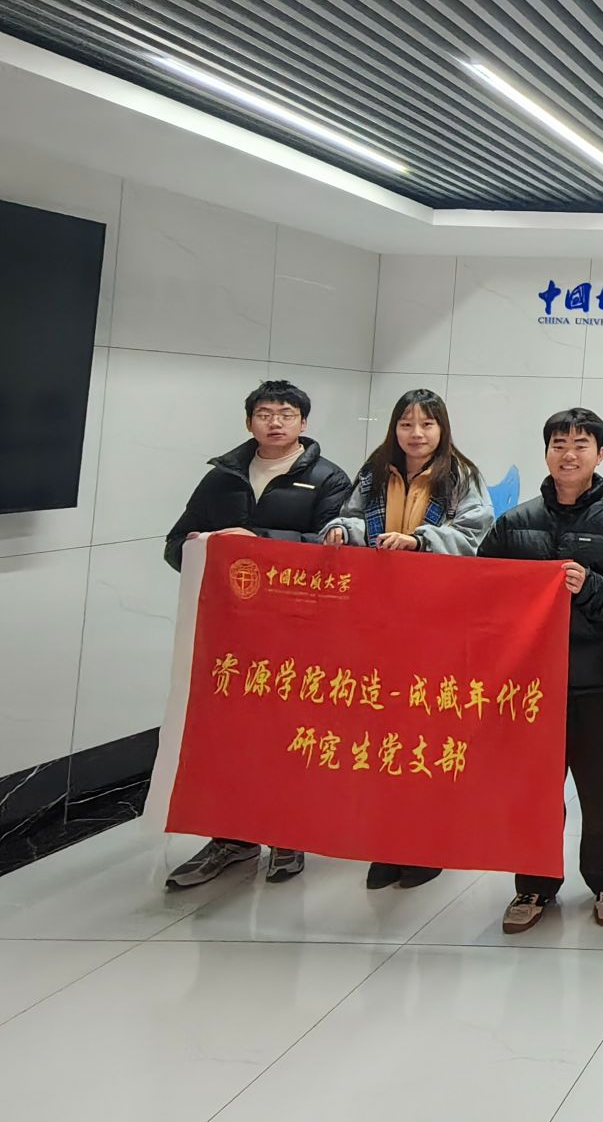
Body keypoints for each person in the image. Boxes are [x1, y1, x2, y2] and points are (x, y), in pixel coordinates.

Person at [161, 378, 353, 890]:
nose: (275, 422)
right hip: (230, 631)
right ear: (249, 422)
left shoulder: (329, 479)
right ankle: (232, 837)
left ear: (303, 423)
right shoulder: (221, 478)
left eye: (286, 414)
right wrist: (200, 549)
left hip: (295, 629)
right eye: (265, 413)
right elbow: (175, 544)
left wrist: (255, 540)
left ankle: (288, 833)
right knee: (229, 736)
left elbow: (332, 551)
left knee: (289, 731)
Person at [485, 409, 603, 932]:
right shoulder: (515, 523)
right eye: (559, 443)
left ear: (600, 455)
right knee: (532, 792)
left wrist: (592, 586)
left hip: (599, 680)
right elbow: (484, 589)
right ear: (546, 453)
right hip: (530, 684)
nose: (569, 453)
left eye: (581, 444)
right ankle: (533, 885)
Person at [323, 388, 492, 889]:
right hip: (378, 621)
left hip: (437, 622)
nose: (416, 434)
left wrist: (420, 541)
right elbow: (352, 516)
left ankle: (428, 843)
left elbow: (476, 535)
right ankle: (387, 842)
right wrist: (342, 529)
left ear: (442, 429)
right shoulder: (374, 471)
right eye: (406, 424)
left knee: (429, 735)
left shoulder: (461, 475)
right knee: (380, 733)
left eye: (426, 424)